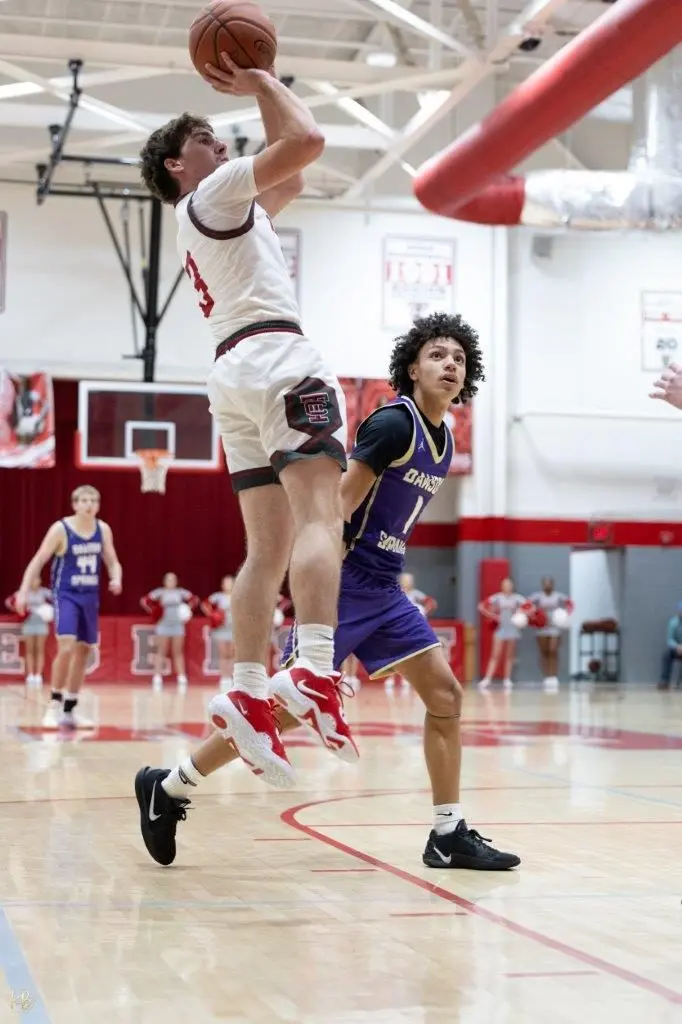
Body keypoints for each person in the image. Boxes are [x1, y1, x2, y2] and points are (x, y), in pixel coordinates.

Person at [134, 312, 520, 872]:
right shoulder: (395, 424)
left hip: (386, 586)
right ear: (412, 368)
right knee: (282, 714)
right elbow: (335, 505)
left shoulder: (443, 441)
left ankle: (447, 833)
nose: (450, 365)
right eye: (437, 355)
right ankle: (169, 786)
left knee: (446, 696)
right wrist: (318, 585)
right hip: (347, 582)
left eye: (459, 359)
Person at [139, 53, 354, 787]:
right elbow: (308, 143)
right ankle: (315, 668)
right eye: (203, 138)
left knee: (266, 549)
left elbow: (289, 176)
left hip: (231, 375)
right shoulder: (215, 190)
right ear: (178, 165)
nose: (220, 143)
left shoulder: (218, 212)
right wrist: (263, 79)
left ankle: (249, 689)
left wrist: (264, 94)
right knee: (322, 517)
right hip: (278, 356)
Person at [15, 485, 122, 727]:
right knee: (66, 645)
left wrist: (116, 578)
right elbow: (38, 560)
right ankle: (54, 704)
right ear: (74, 504)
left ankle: (70, 709)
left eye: (93, 500)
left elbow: (113, 561)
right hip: (66, 595)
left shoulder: (103, 529)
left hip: (90, 596)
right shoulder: (61, 528)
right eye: (84, 500)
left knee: (84, 650)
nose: (89, 504)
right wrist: (23, 591)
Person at [141, 574, 194, 692]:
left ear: (176, 581)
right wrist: (154, 612)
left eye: (173, 579)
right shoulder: (160, 592)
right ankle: (157, 676)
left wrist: (187, 610)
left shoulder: (181, 592)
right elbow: (145, 601)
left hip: (178, 625)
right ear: (164, 581)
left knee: (178, 651)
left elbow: (193, 599)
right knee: (161, 651)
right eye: (168, 579)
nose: (171, 582)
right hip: (163, 625)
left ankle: (181, 677)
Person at [478, 578, 527, 691]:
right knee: (495, 654)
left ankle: (507, 679)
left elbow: (529, 607)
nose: (507, 586)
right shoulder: (497, 597)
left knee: (510, 655)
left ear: (512, 586)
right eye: (505, 584)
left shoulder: (517, 598)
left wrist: (521, 614)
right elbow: (481, 606)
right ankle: (487, 679)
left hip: (512, 629)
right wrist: (493, 615)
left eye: (509, 584)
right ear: (502, 586)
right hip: (500, 629)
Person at [527, 577, 573, 692]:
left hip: (555, 627)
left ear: (553, 585)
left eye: (549, 584)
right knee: (544, 652)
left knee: (553, 651)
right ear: (542, 585)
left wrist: (566, 614)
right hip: (542, 628)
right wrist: (532, 615)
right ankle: (546, 676)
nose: (547, 586)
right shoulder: (537, 596)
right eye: (545, 584)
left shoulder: (559, 596)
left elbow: (570, 603)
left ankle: (554, 676)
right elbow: (526, 605)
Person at [5, 579, 52, 688]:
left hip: (41, 623)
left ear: (40, 581)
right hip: (28, 623)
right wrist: (18, 608)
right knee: (29, 649)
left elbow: (57, 599)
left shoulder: (44, 592)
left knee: (39, 649)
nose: (35, 581)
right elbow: (8, 602)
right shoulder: (24, 593)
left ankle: (38, 675)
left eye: (37, 579)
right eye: (33, 579)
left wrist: (48, 610)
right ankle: (30, 675)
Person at [201, 575, 235, 688]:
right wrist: (212, 615)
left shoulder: (238, 596)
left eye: (230, 583)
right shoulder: (217, 596)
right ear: (222, 585)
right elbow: (204, 604)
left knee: (232, 654)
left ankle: (231, 676)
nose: (228, 585)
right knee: (223, 653)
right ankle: (224, 677)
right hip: (221, 629)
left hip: (233, 629)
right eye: (225, 583)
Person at [658, 601, 682, 690]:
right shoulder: (673, 622)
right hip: (678, 650)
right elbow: (669, 639)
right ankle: (664, 681)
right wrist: (677, 646)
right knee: (667, 654)